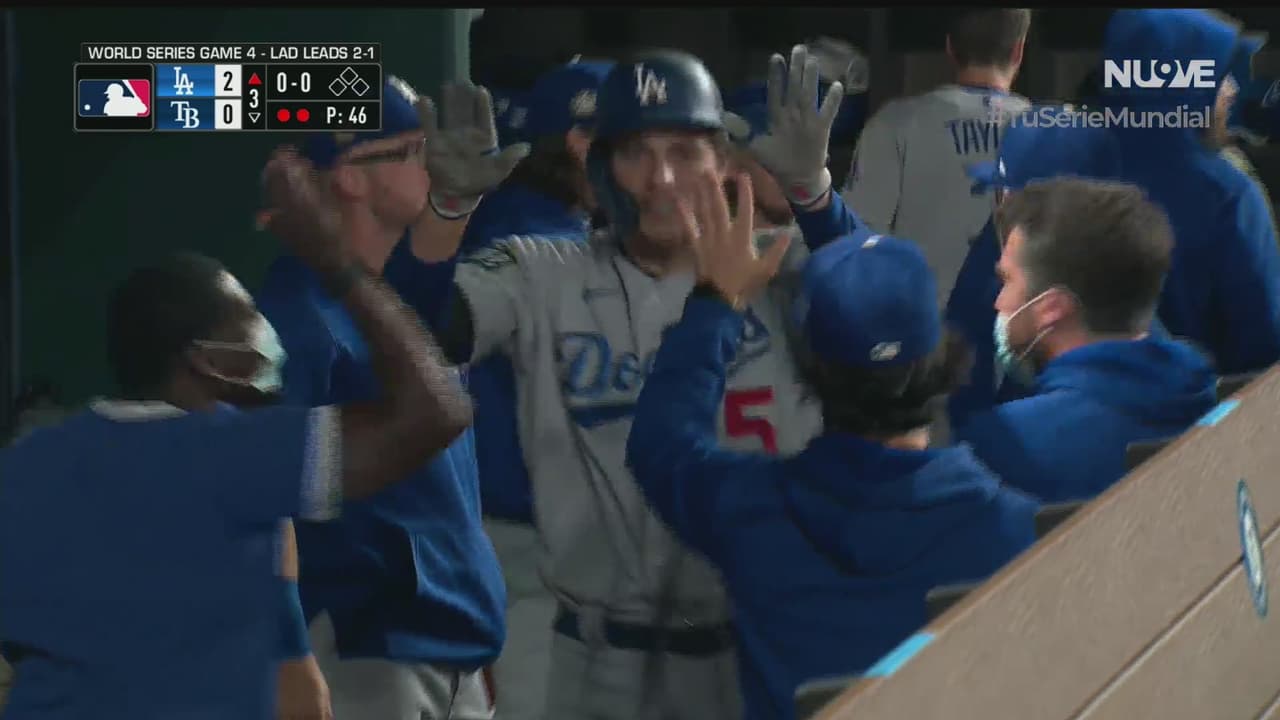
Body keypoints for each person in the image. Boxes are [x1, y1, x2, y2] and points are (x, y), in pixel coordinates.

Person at [378, 46, 864, 719]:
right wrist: (447, 210)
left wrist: (815, 197)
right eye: (636, 152)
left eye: (684, 151)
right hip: (598, 658)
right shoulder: (541, 272)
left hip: (758, 646)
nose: (661, 178)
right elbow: (414, 335)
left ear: (724, 160)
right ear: (599, 163)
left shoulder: (782, 265)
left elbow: (884, 313)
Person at [0, 147, 474, 719]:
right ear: (209, 361)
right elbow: (437, 411)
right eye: (249, 320)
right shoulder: (235, 453)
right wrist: (335, 261)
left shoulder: (26, 461)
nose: (268, 334)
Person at [624, 173, 1039, 720]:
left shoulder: (749, 507)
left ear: (808, 367)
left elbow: (660, 441)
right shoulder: (1017, 530)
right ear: (941, 359)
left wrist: (715, 302)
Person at [255, 76, 526, 720]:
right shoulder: (296, 316)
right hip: (367, 648)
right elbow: (266, 501)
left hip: (451, 646)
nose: (430, 163)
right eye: (410, 151)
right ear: (350, 177)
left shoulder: (400, 295)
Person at [459, 58, 613, 720]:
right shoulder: (549, 248)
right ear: (581, 144)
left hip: (498, 528)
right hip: (531, 539)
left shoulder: (498, 220)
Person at [955, 178, 1218, 503]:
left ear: (1051, 308)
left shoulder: (1002, 445)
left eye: (1007, 281)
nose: (999, 302)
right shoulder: (1205, 391)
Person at [1098, 9, 1280, 375]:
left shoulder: (1067, 165)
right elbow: (1265, 346)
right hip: (1204, 403)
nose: (1231, 90)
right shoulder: (1226, 193)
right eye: (1218, 76)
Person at [841, 8, 1032, 305]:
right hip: (1022, 325)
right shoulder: (1054, 131)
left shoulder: (895, 122)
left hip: (921, 325)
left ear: (950, 48)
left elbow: (854, 244)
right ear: (1019, 51)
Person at [945, 114, 1123, 432]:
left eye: (1018, 202)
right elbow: (964, 368)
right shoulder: (995, 250)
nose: (1001, 208)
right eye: (1001, 194)